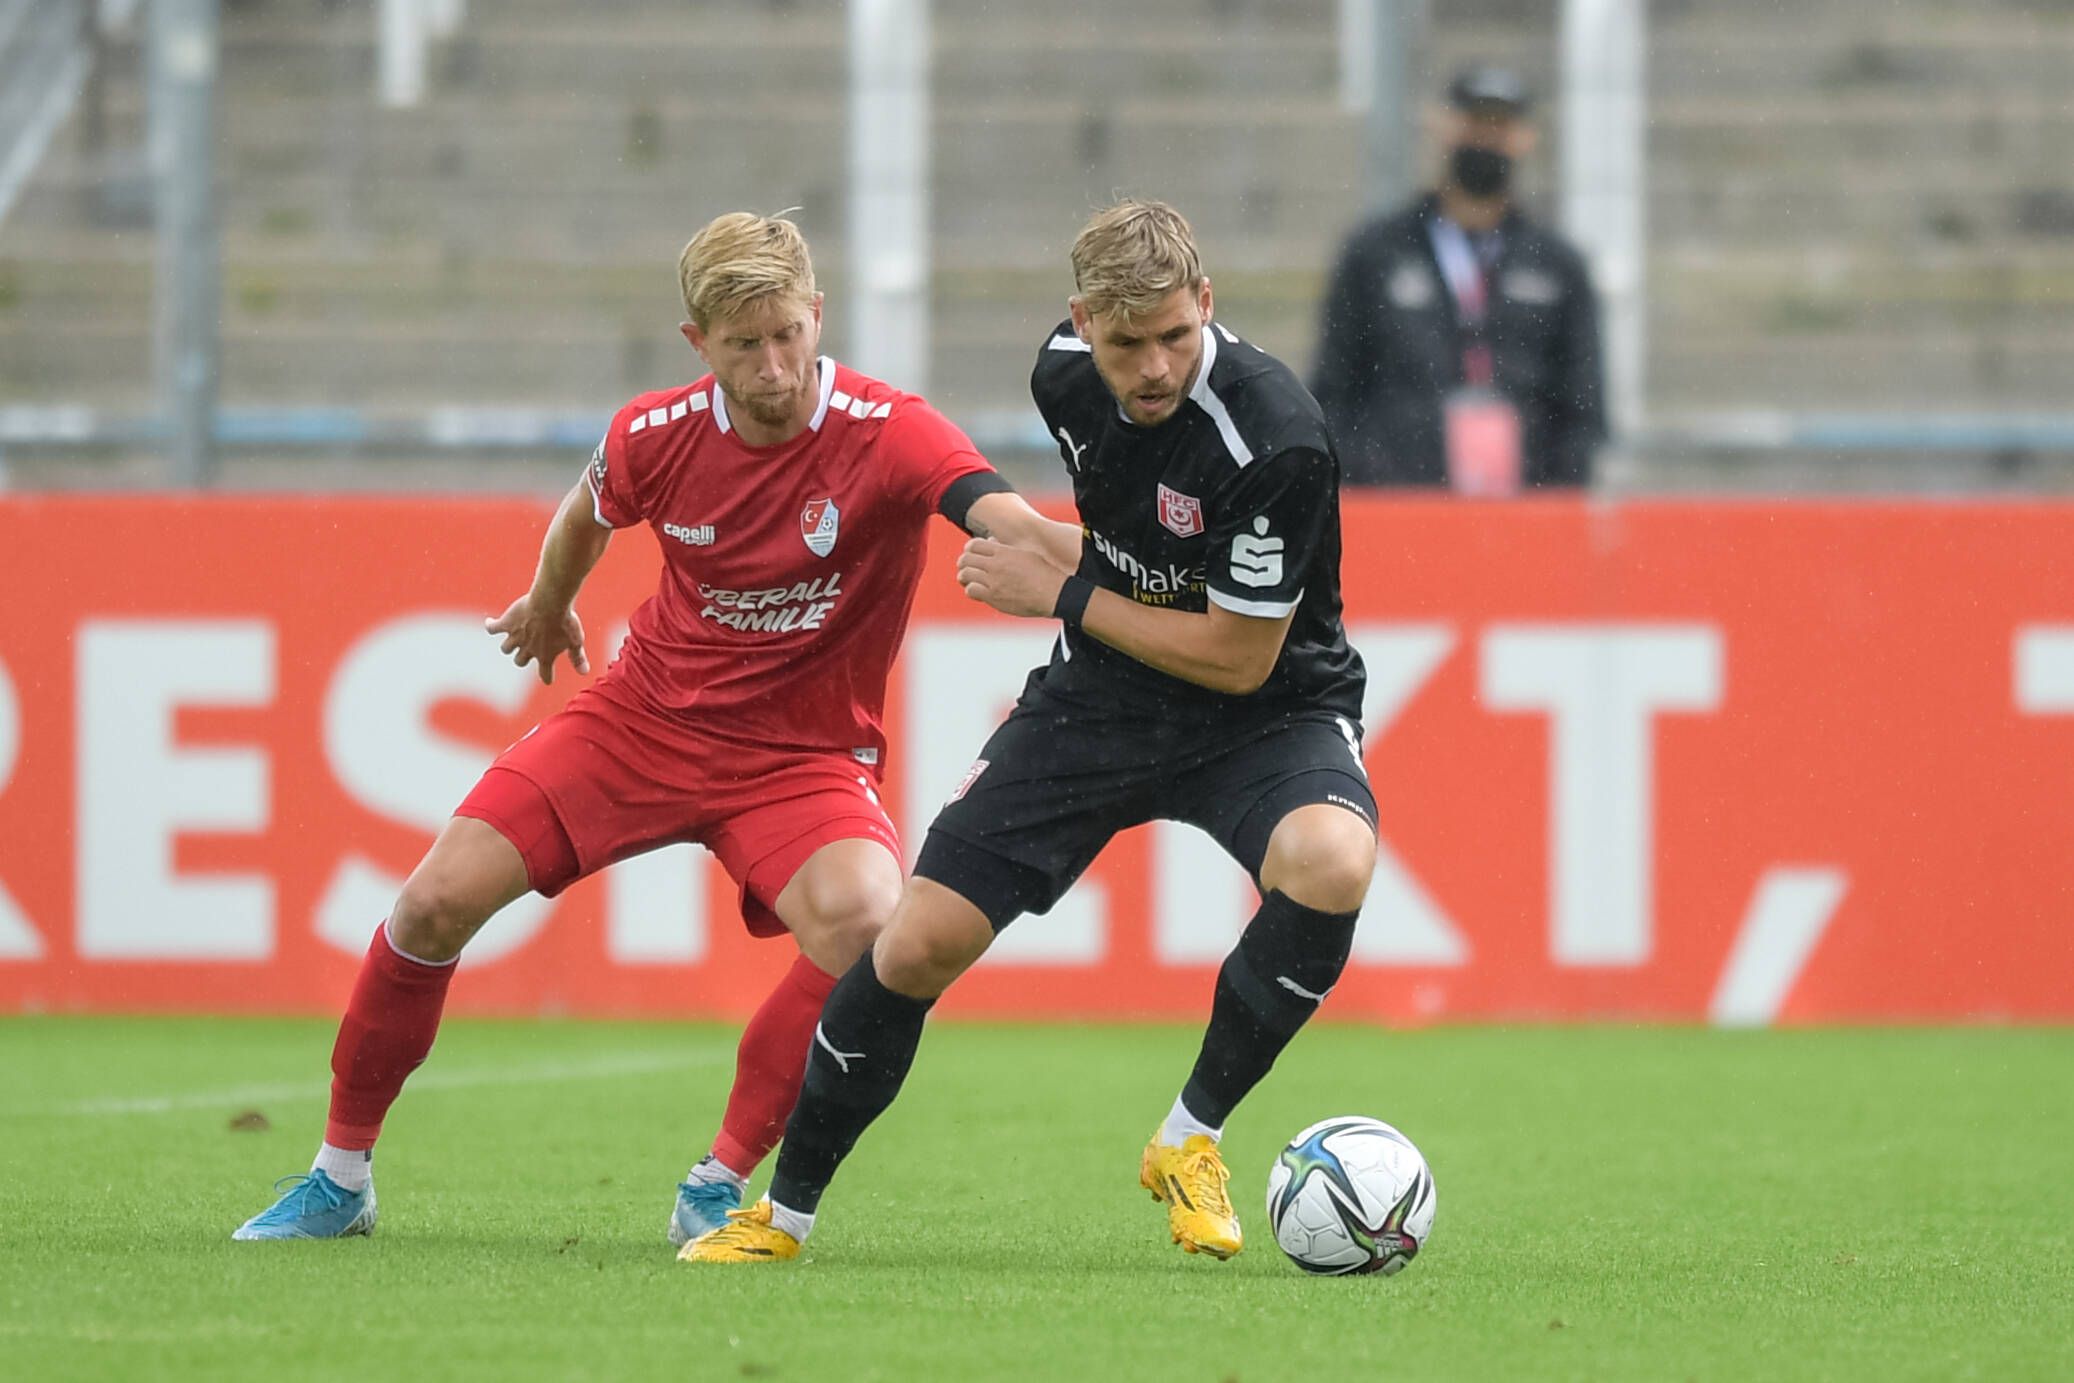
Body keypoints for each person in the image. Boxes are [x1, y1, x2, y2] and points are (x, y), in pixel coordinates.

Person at [231, 211, 1077, 1245]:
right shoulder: (654, 433)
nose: (773, 365)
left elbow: (1012, 521)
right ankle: (339, 1177)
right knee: (431, 904)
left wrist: (1118, 583)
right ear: (697, 344)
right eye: (743, 345)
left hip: (798, 760)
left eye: (789, 335)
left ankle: (717, 1181)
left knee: (866, 921)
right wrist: (548, 602)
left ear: (817, 315)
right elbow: (587, 511)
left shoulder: (888, 430)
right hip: (640, 725)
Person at [682, 199, 1379, 1265]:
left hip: (1265, 710)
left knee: (1331, 864)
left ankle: (1188, 1140)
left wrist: (1056, 593)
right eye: (1123, 342)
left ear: (1207, 304)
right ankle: (780, 1219)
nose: (1149, 367)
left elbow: (1236, 654)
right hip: (1100, 699)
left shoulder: (1274, 432)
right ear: (1080, 323)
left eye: (1173, 338)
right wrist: (1070, 575)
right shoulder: (1060, 375)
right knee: (914, 944)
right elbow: (1134, 546)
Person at [1311, 64, 1606, 492]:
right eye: (1474, 124)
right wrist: (1368, 475)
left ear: (1526, 138)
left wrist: (1556, 493)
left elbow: (1584, 403)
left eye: (1500, 128)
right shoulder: (1375, 254)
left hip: (1527, 516)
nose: (1486, 140)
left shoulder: (1558, 266)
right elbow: (1334, 390)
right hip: (1402, 508)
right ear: (1443, 126)